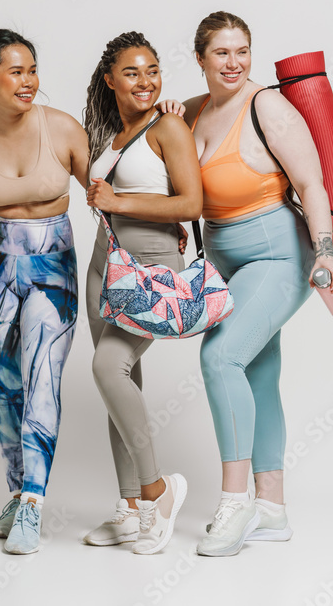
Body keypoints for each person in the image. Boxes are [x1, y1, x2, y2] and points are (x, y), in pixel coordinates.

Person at [179, 11, 333, 557]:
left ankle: (234, 503)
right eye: (221, 53)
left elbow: (311, 182)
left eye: (242, 51)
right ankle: (271, 509)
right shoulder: (192, 111)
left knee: (220, 358)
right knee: (258, 373)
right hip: (225, 260)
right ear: (200, 58)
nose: (234, 63)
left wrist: (326, 251)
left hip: (278, 254)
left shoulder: (266, 106)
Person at [0, 29, 89, 555]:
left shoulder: (63, 128)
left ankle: (33, 501)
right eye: (16, 72)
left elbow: (107, 188)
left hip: (53, 266)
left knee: (42, 378)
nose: (29, 81)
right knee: (6, 385)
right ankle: (15, 491)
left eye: (32, 70)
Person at [77, 31, 203, 555]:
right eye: (132, 72)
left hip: (151, 266)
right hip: (105, 263)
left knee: (108, 368)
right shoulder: (109, 134)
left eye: (152, 70)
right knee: (119, 385)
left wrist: (120, 202)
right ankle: (130, 508)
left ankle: (157, 492)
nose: (145, 81)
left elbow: (191, 204)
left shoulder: (168, 126)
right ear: (110, 80)